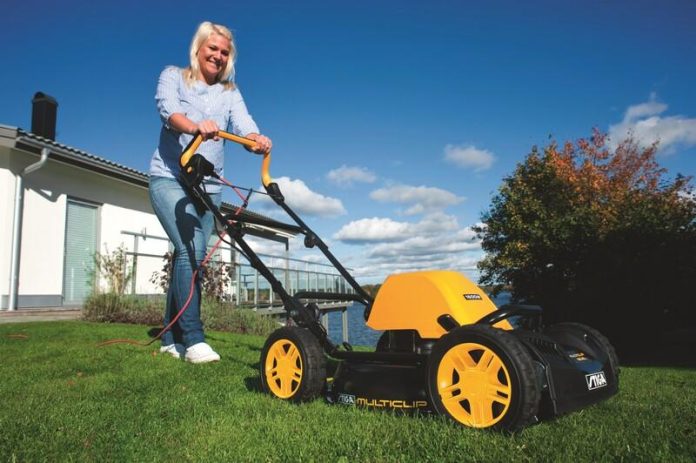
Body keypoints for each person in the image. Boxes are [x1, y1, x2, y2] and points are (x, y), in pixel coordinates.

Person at [149, 21, 272, 363]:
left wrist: (256, 140)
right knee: (192, 248)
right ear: (198, 48)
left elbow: (244, 124)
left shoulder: (230, 92)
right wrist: (195, 127)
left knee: (192, 258)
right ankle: (194, 340)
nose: (218, 56)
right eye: (213, 48)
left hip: (209, 186)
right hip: (170, 177)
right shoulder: (173, 76)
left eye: (224, 52)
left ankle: (169, 337)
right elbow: (168, 110)